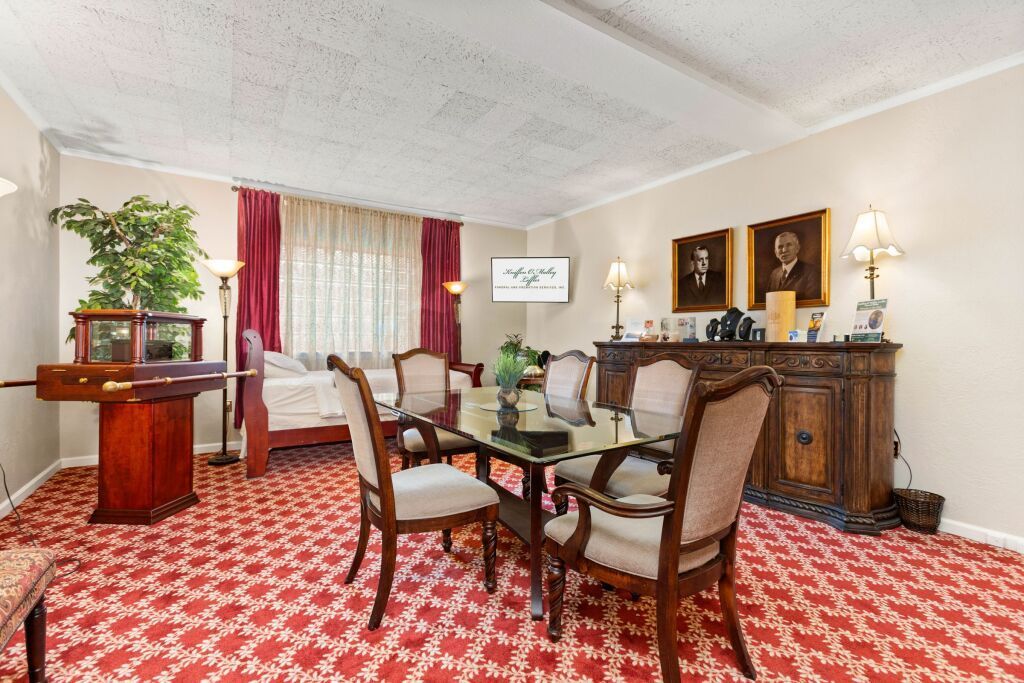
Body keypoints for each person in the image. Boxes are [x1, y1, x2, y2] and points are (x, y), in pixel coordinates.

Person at [766, 231, 818, 299]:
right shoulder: (774, 274)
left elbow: (812, 302)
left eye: (789, 245)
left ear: (797, 248)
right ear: (776, 253)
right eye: (780, 247)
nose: (784, 250)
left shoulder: (811, 271)